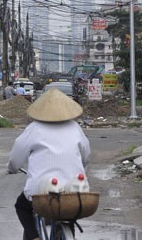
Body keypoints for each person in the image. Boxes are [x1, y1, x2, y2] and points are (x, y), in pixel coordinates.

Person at [7, 88, 91, 240]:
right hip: (73, 189)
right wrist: (83, 168)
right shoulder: (75, 128)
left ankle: (34, 237)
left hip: (40, 191)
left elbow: (17, 155)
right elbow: (86, 154)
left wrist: (12, 168)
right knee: (68, 212)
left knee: (22, 206)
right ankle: (68, 232)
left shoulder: (34, 128)